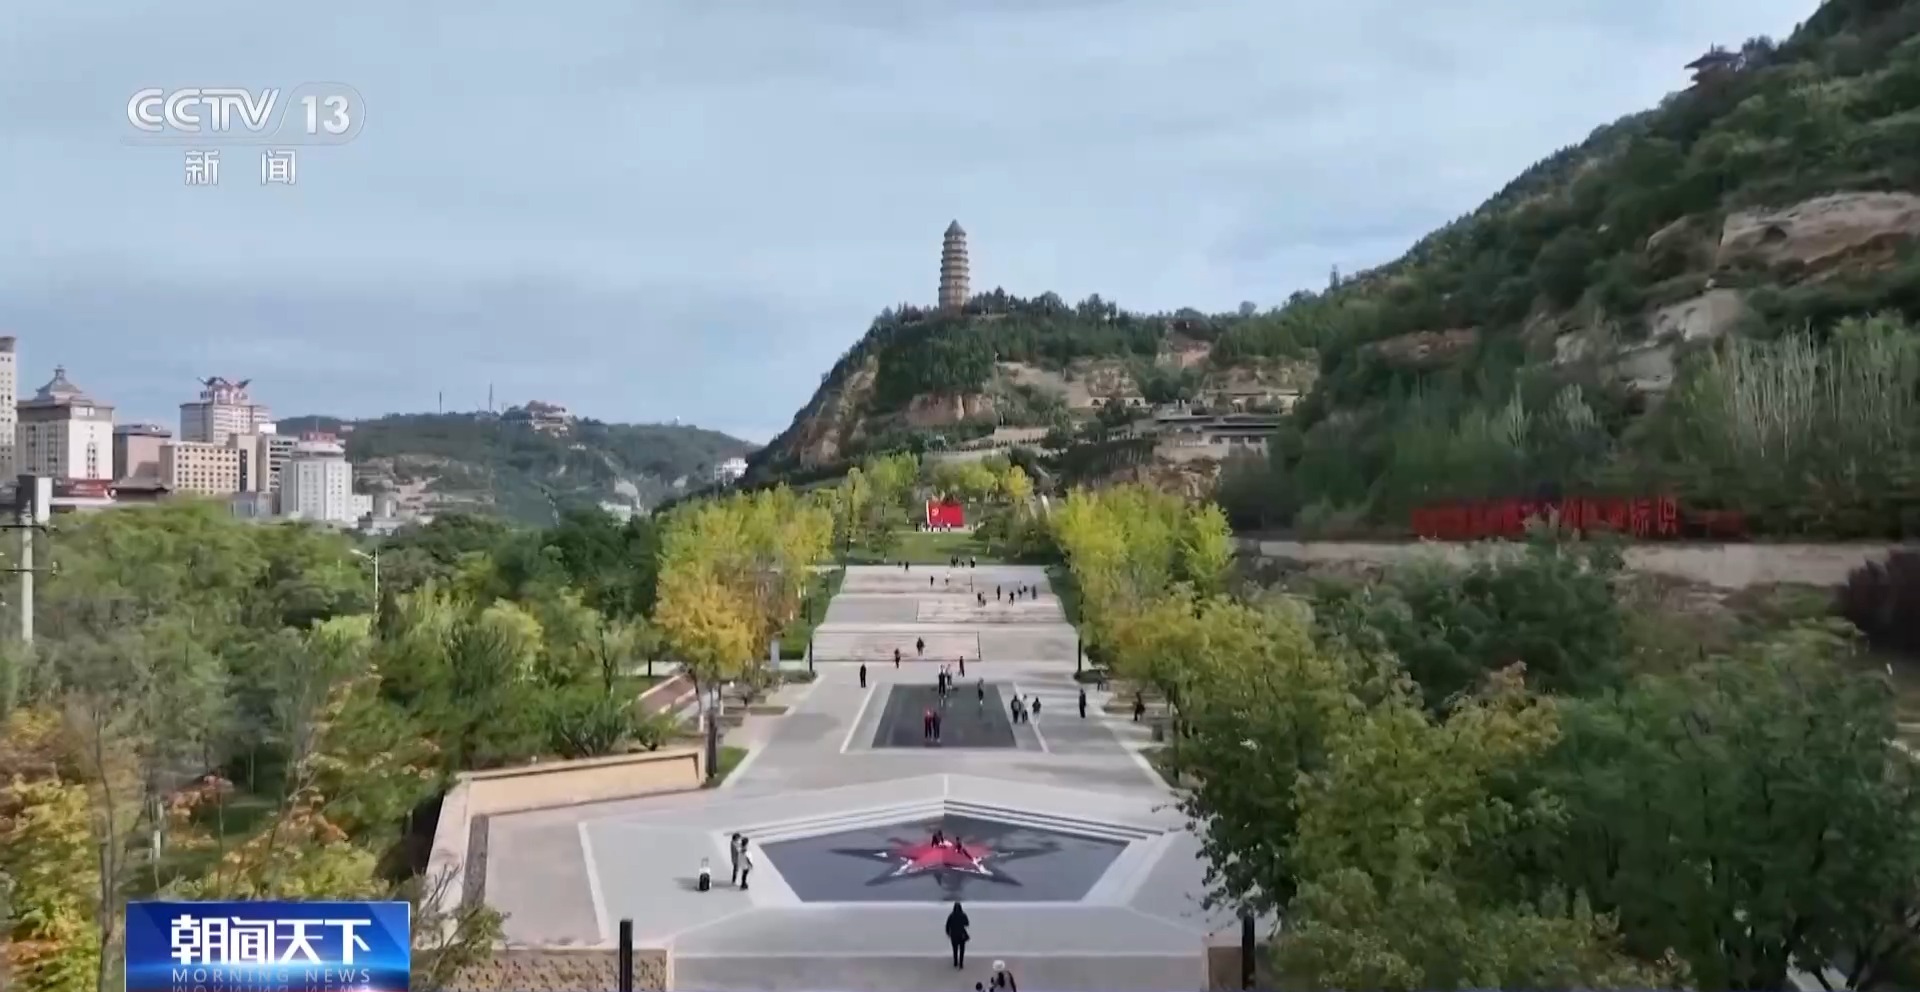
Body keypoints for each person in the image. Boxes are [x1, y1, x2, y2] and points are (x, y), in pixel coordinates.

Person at [946, 902, 971, 969]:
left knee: (955, 949)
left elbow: (947, 925)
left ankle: (955, 963)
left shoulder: (951, 916)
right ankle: (961, 964)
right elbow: (967, 924)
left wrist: (948, 933)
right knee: (962, 950)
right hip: (962, 934)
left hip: (953, 934)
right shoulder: (963, 915)